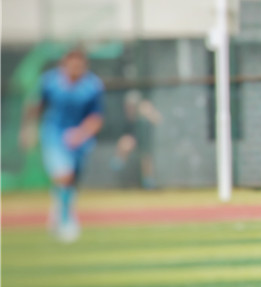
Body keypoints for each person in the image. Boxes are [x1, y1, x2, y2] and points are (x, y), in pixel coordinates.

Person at [19, 47, 104, 242]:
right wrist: (27, 129)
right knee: (64, 175)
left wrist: (81, 133)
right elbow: (35, 106)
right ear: (64, 65)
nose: (75, 69)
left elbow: (96, 117)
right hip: (54, 135)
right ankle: (66, 221)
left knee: (72, 181)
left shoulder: (93, 85)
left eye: (79, 66)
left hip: (80, 138)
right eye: (72, 65)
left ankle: (60, 208)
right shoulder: (50, 82)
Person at [111, 90, 162, 188]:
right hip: (134, 137)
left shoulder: (145, 108)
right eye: (128, 106)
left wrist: (149, 113)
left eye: (131, 106)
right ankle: (119, 160)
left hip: (145, 138)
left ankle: (148, 181)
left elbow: (157, 120)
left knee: (146, 157)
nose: (129, 108)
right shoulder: (127, 113)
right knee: (124, 142)